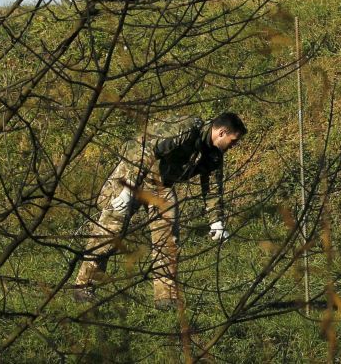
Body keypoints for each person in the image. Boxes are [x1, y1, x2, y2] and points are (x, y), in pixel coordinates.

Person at [72, 113, 246, 309]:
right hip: (132, 175)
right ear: (222, 132)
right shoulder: (186, 129)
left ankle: (165, 299)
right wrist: (128, 189)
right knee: (108, 234)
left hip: (161, 187)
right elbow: (144, 149)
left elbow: (213, 187)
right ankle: (83, 287)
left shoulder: (213, 154)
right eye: (233, 141)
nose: (234, 146)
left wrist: (216, 221)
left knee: (168, 240)